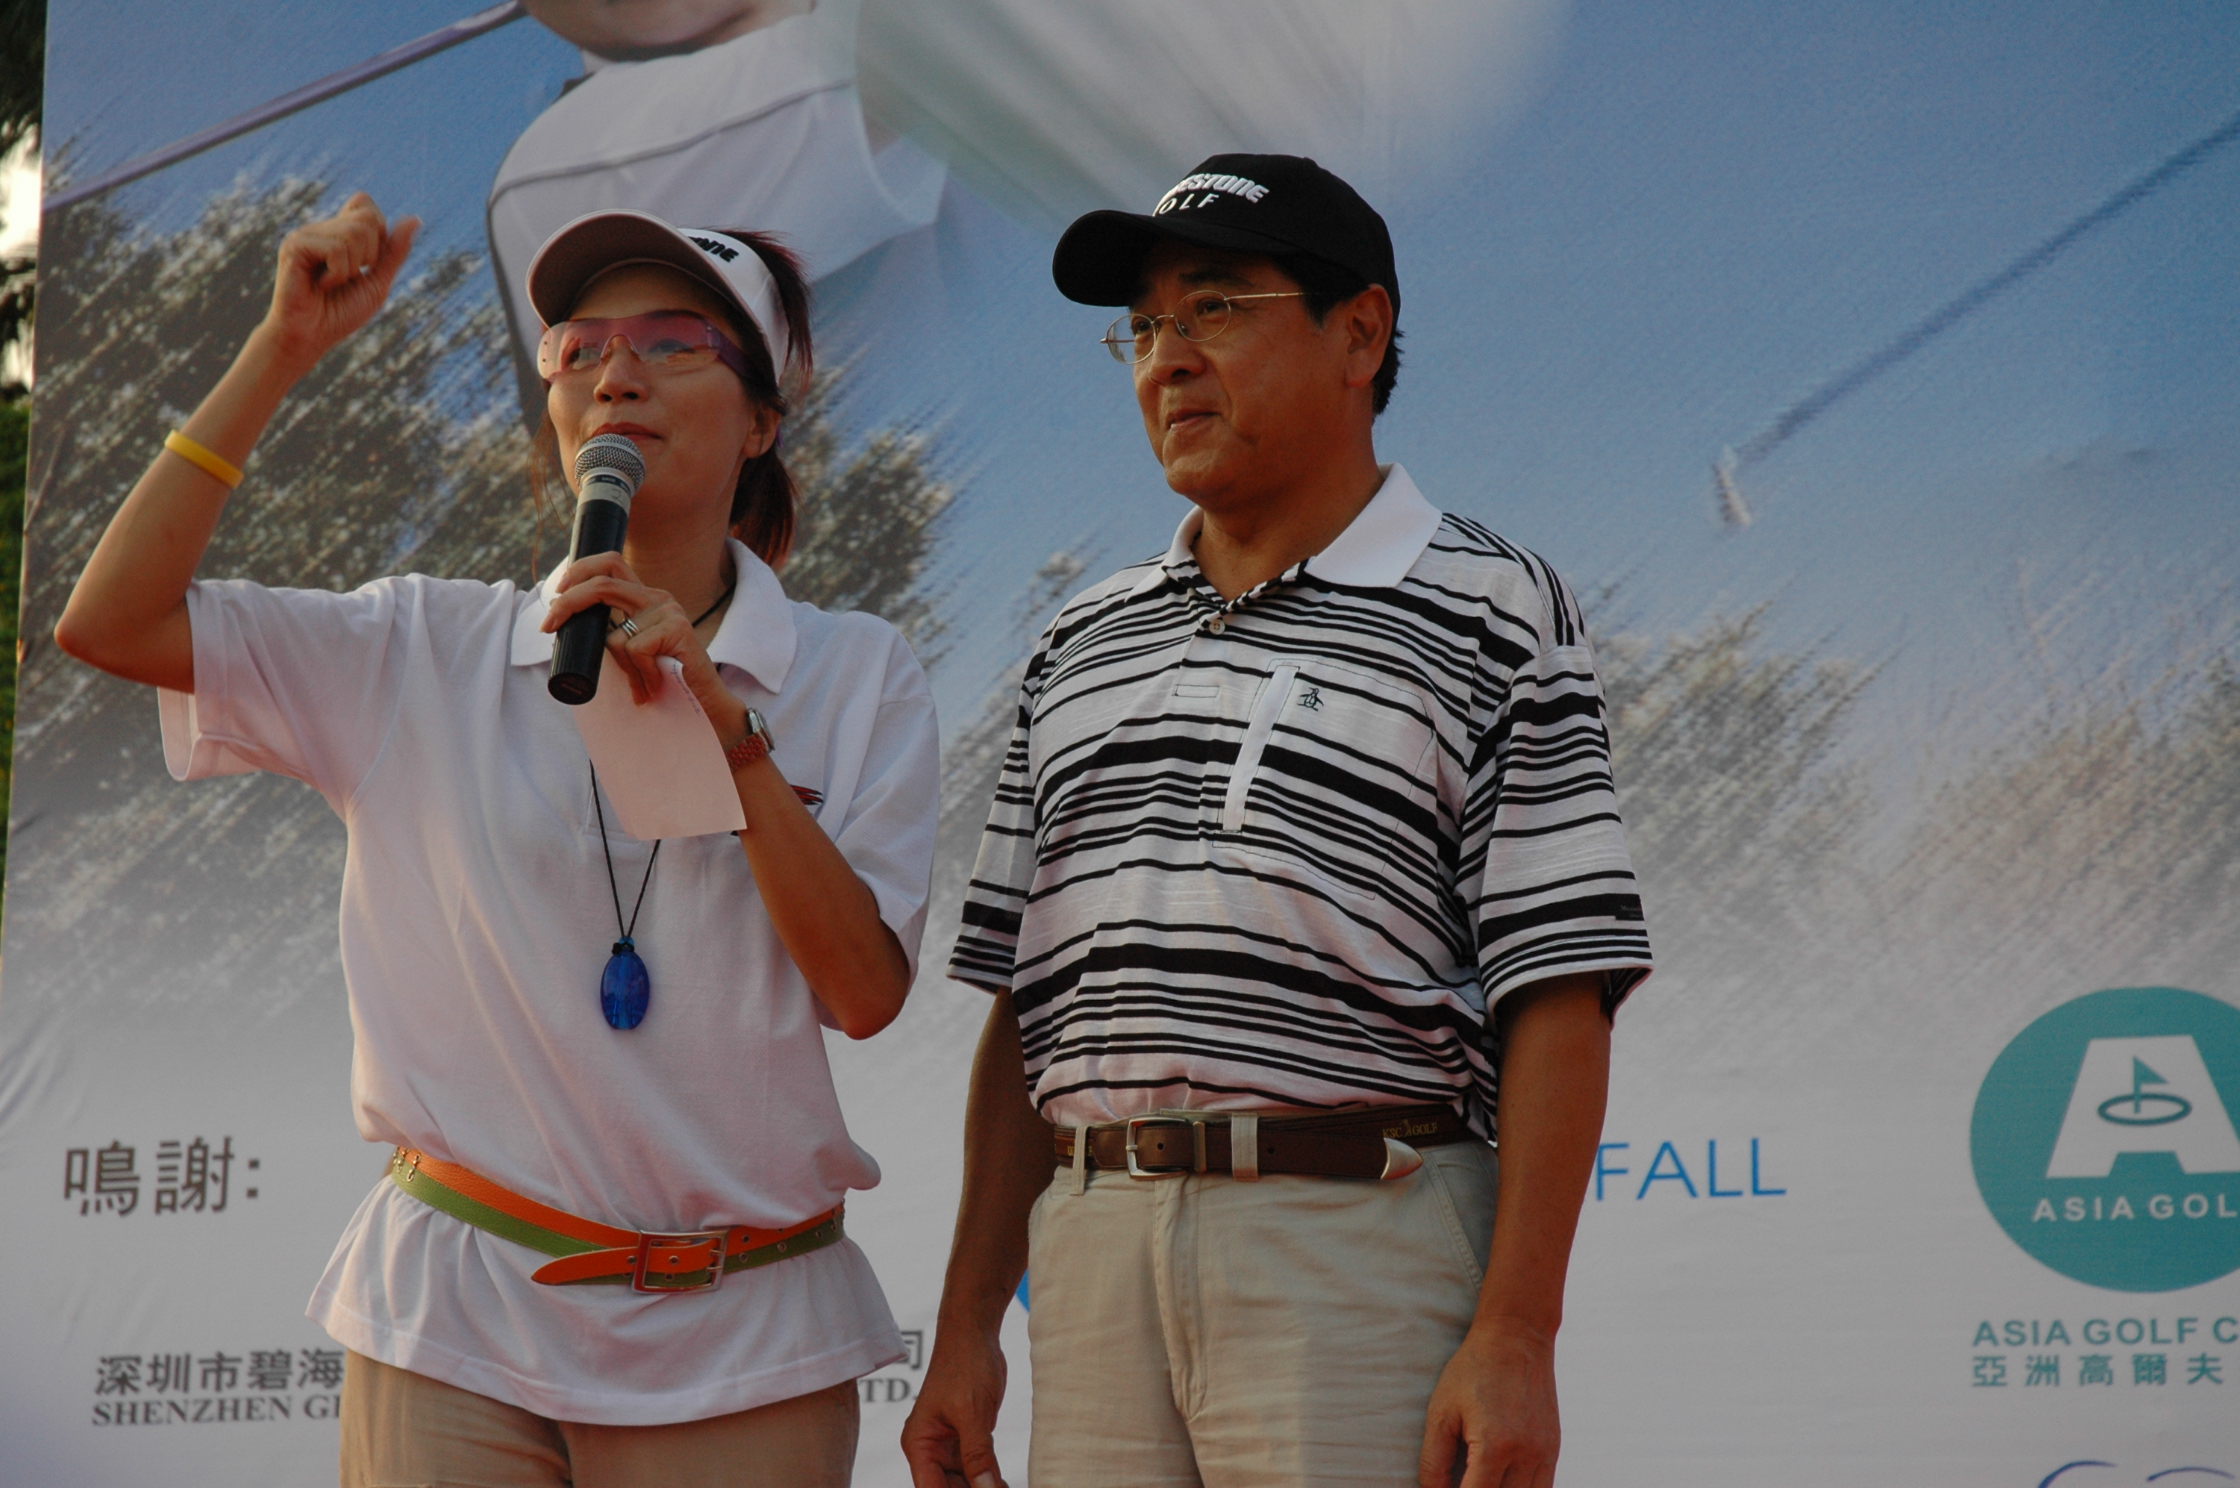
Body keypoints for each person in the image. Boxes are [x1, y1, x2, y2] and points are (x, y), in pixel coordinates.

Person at [55, 193, 939, 1487]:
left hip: (746, 1331)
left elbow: (862, 993)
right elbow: (112, 622)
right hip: (456, 1317)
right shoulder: (423, 647)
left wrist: (730, 734)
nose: (618, 373)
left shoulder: (857, 673)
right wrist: (281, 351)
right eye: (580, 348)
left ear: (762, 421)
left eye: (674, 341)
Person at [900, 154, 1654, 1488]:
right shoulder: (1078, 639)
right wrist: (965, 1324)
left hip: (1356, 1241)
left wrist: (1517, 1335)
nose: (1169, 359)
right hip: (1093, 1249)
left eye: (1217, 308)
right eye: (1143, 327)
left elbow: (1558, 987)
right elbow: (1030, 1009)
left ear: (1359, 334)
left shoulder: (1492, 606)